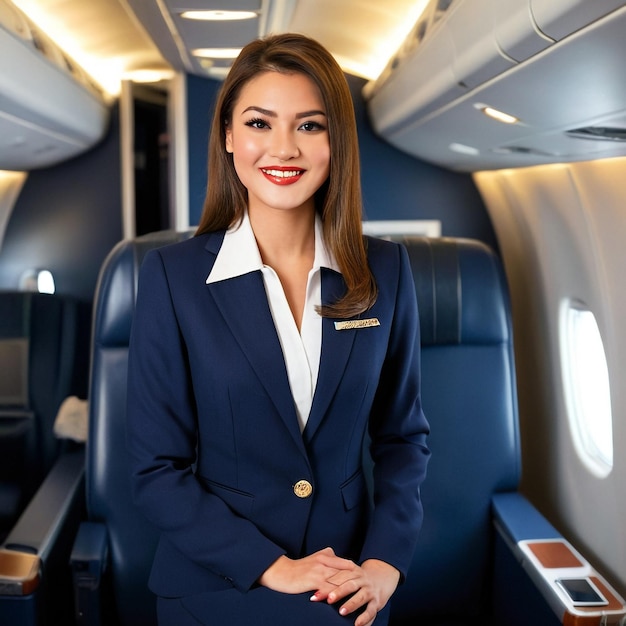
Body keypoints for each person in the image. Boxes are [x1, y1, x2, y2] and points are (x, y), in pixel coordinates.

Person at [126, 33, 430, 626]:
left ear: (335, 142)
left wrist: (385, 563)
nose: (283, 149)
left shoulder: (385, 270)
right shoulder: (173, 278)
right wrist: (274, 566)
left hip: (346, 580)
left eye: (310, 126)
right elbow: (155, 471)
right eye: (260, 124)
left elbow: (403, 438)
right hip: (215, 579)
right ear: (228, 137)